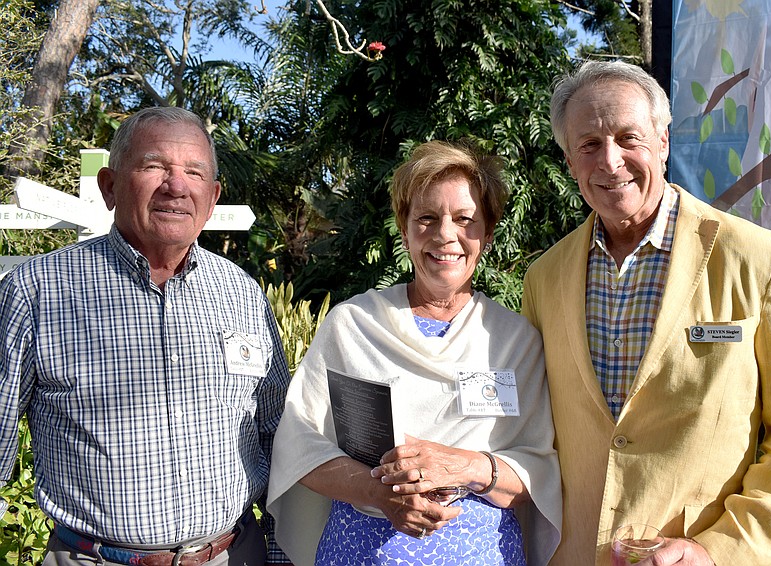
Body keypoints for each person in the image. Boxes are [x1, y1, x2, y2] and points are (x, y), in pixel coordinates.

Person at [521, 59, 771, 565]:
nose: (610, 161)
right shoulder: (544, 278)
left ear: (664, 141)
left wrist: (719, 550)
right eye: (589, 144)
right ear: (569, 160)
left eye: (629, 138)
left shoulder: (760, 261)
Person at [0, 107, 291, 565]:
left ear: (212, 197)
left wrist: (279, 555)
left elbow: (278, 437)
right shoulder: (37, 291)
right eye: (154, 166)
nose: (176, 186)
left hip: (233, 555)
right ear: (109, 186)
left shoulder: (243, 293)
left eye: (193, 172)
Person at [267, 140, 562, 565]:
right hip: (361, 552)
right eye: (426, 218)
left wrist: (465, 467)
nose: (446, 235)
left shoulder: (515, 341)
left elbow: (536, 476)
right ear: (404, 230)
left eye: (465, 219)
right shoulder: (353, 325)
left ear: (488, 233)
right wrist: (379, 492)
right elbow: (299, 447)